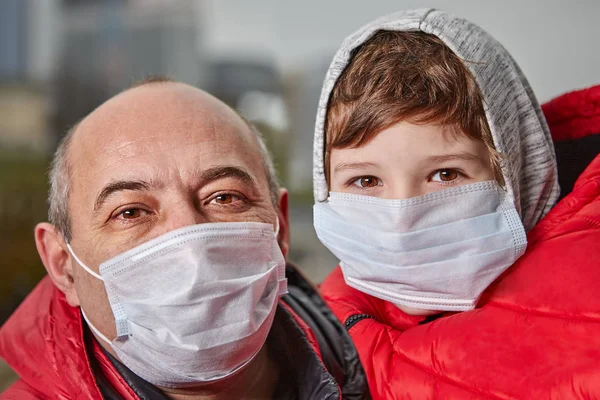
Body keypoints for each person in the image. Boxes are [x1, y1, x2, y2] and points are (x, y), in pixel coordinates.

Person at [0, 78, 370, 399]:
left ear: (281, 228)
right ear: (62, 265)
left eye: (224, 198)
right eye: (130, 212)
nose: (189, 244)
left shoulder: (394, 374)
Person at [313, 9, 600, 399]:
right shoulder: (312, 331)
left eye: (446, 175)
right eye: (366, 180)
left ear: (515, 173)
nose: (402, 217)